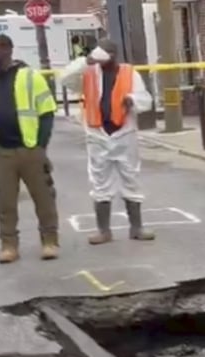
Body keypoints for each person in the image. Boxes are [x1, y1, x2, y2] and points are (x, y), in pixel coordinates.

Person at [0, 34, 59, 264]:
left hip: (29, 149)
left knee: (44, 198)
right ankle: (9, 246)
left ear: (7, 51)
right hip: (0, 152)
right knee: (5, 202)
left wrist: (40, 146)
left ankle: (49, 241)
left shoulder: (30, 77)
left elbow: (47, 112)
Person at [60, 38, 154, 244]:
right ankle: (104, 231)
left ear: (114, 55)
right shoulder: (88, 73)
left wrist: (132, 100)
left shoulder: (130, 73)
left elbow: (145, 99)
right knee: (99, 182)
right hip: (97, 134)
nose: (104, 59)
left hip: (124, 133)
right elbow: (65, 78)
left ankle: (136, 228)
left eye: (107, 54)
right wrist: (88, 60)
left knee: (131, 178)